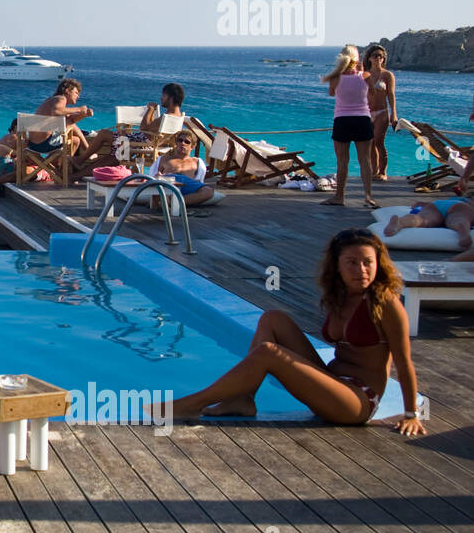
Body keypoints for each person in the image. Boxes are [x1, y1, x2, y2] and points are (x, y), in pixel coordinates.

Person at [152, 229, 424, 436]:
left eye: (368, 262)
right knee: (273, 318)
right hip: (332, 380)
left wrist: (412, 413)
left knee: (269, 354)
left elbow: (404, 361)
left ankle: (193, 404)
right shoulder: (340, 296)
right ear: (337, 266)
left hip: (356, 401)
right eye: (352, 262)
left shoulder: (384, 302)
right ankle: (241, 398)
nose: (361, 270)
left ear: (379, 263)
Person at [320, 45, 378, 208]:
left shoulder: (336, 77)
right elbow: (372, 93)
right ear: (356, 59)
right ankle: (368, 197)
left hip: (342, 120)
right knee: (365, 160)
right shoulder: (365, 75)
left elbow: (332, 93)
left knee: (342, 161)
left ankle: (339, 197)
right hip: (362, 120)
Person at [34, 78, 118, 175]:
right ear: (67, 91)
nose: (78, 96)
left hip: (35, 144)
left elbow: (69, 119)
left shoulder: (53, 101)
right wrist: (79, 109)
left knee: (75, 140)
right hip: (45, 142)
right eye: (76, 92)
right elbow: (57, 111)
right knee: (71, 124)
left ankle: (64, 172)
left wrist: (84, 114)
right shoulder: (60, 98)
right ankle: (87, 149)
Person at [149, 131, 216, 207]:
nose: (183, 143)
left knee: (208, 191)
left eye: (187, 142)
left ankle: (174, 202)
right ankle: (170, 202)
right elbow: (152, 177)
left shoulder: (198, 162)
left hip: (187, 184)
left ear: (192, 146)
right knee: (157, 186)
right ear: (176, 143)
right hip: (169, 181)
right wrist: (158, 177)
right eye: (180, 140)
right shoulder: (163, 159)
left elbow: (199, 181)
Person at [384, 197, 473, 249]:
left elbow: (419, 204)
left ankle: (401, 222)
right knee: (458, 218)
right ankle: (463, 231)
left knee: (422, 219)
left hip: (437, 205)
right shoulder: (468, 202)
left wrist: (419, 204)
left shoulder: (453, 199)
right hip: (461, 207)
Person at [363, 45, 398, 180]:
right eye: (375, 55)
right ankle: (374, 171)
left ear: (384, 59)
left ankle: (383, 172)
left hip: (382, 112)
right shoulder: (365, 75)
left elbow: (391, 94)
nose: (378, 58)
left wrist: (393, 114)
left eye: (381, 56)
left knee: (379, 141)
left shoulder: (387, 75)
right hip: (367, 112)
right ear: (370, 58)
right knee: (370, 143)